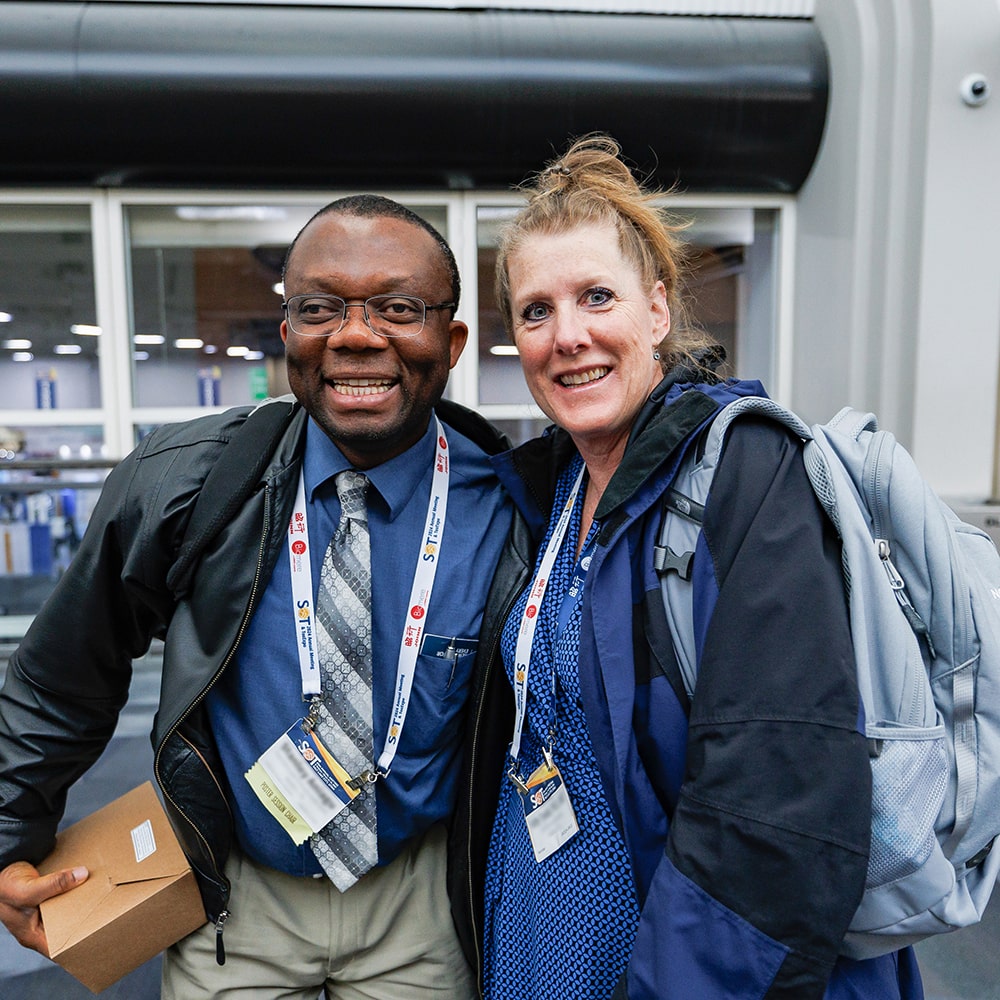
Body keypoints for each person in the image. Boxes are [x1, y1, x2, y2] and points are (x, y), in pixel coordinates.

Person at [448, 135, 924, 999]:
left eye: (597, 297)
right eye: (536, 310)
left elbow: (777, 801)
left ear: (658, 312)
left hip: (674, 962)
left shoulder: (747, 477)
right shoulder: (548, 490)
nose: (569, 336)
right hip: (535, 940)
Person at [0, 195, 512, 998]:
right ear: (287, 336)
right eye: (319, 308)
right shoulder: (185, 483)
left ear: (450, 342)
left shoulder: (512, 508)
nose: (355, 334)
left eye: (398, 308)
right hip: (236, 902)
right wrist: (7, 840)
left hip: (420, 902)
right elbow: (61, 676)